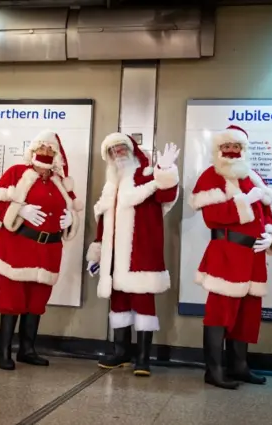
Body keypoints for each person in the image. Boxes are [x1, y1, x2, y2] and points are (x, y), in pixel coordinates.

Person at [188, 125, 272, 390]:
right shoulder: (210, 176)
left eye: (235, 147)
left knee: (247, 314)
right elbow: (212, 217)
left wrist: (271, 235)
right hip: (226, 254)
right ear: (218, 150)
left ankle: (239, 366)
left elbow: (268, 213)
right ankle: (213, 370)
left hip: (254, 256)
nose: (230, 151)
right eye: (225, 147)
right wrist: (244, 201)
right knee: (220, 313)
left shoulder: (253, 176)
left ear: (243, 150)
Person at [0, 130, 83, 371]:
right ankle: (4, 352)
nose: (46, 152)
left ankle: (27, 350)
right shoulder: (17, 173)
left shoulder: (60, 182)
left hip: (48, 249)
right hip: (17, 247)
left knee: (37, 301)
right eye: (42, 147)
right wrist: (18, 210)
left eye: (51, 149)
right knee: (12, 300)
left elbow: (72, 209)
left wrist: (71, 218)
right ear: (33, 150)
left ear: (57, 155)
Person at [86, 133, 180, 377]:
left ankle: (143, 358)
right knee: (119, 304)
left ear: (132, 149)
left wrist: (167, 169)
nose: (118, 153)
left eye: (121, 148)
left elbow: (166, 195)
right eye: (113, 150)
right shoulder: (111, 185)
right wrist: (97, 251)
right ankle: (121, 352)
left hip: (142, 253)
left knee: (143, 304)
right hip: (114, 255)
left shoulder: (147, 175)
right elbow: (103, 220)